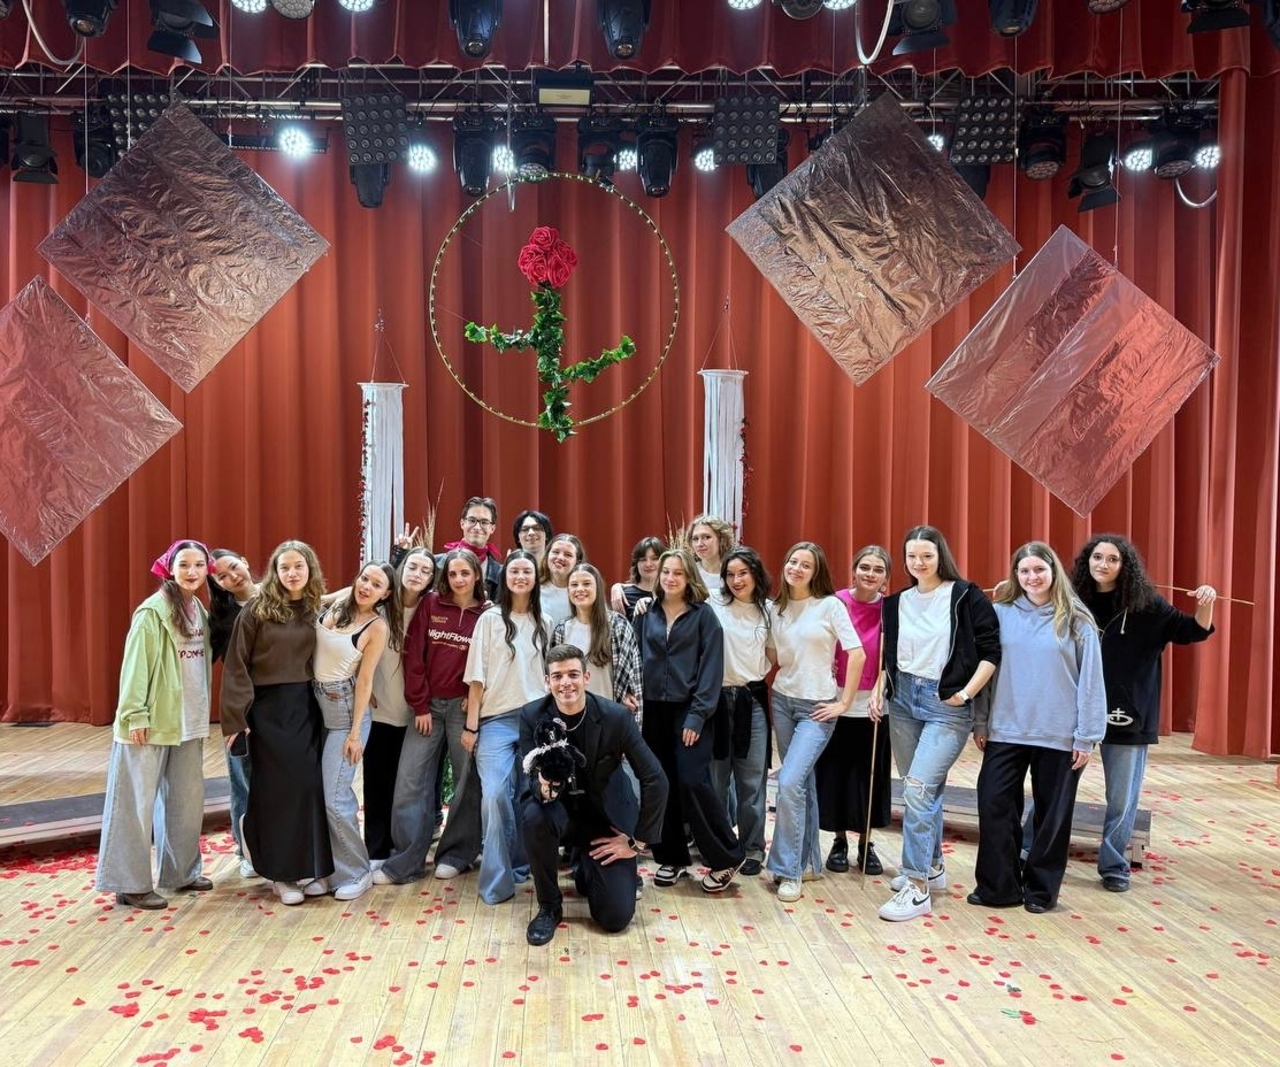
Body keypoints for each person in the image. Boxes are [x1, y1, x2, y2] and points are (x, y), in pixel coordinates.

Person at [1069, 534, 1216, 892]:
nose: (1103, 564)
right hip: (1075, 712)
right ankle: (1034, 851)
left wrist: (1206, 601)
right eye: (1097, 557)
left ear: (1125, 566)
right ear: (1087, 562)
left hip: (1129, 712)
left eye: (1113, 559)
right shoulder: (1071, 601)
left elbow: (1194, 630)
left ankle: (1114, 865)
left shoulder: (1147, 604)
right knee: (1057, 788)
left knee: (1122, 799)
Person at [872, 525, 1000, 923]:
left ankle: (916, 886)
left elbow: (991, 652)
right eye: (912, 556)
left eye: (927, 555)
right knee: (923, 791)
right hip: (903, 700)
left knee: (917, 788)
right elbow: (888, 655)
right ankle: (932, 865)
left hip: (946, 703)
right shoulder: (896, 602)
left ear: (940, 555)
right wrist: (879, 689)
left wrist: (965, 694)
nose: (919, 563)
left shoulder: (965, 595)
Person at [970, 542, 1106, 913]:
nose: (1032, 577)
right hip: (1005, 729)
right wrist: (981, 720)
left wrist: (1087, 736)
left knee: (1051, 817)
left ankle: (1041, 891)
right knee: (994, 804)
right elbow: (986, 670)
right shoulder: (999, 613)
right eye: (1025, 571)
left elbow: (1092, 681)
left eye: (1039, 570)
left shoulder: (1077, 619)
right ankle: (999, 887)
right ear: (1015, 575)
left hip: (1060, 734)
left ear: (1053, 571)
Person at [519, 644, 668, 945]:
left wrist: (637, 842)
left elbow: (655, 779)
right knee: (533, 814)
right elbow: (531, 778)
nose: (566, 683)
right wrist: (544, 785)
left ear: (586, 677)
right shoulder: (532, 715)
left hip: (605, 817)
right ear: (547, 681)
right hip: (559, 812)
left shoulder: (616, 717)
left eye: (573, 674)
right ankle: (549, 906)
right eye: (557, 676)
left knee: (615, 918)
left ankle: (585, 866)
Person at [95, 540, 215, 910]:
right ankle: (128, 883)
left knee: (185, 802)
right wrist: (135, 714)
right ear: (169, 568)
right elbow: (135, 666)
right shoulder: (152, 612)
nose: (192, 572)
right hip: (150, 721)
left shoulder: (198, 609)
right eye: (184, 565)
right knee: (134, 804)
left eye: (198, 565)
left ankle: (180, 872)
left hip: (189, 720)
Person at [221, 540, 333, 907]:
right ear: (275, 571)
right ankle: (280, 874)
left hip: (306, 706)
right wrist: (235, 719)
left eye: (298, 566)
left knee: (308, 787)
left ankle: (312, 866)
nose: (292, 573)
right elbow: (236, 665)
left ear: (309, 568)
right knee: (276, 791)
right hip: (266, 711)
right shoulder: (256, 610)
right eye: (284, 567)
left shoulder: (315, 609)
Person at [376, 547, 488, 885]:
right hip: (428, 709)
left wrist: (474, 699)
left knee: (467, 782)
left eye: (465, 573)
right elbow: (414, 656)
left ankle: (457, 854)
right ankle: (406, 861)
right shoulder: (431, 604)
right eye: (452, 574)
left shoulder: (487, 613)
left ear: (476, 575)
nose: (458, 579)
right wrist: (421, 704)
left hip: (463, 710)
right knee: (410, 780)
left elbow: (489, 662)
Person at [634, 546, 743, 892]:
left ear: (689, 577)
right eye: (666, 571)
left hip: (692, 710)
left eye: (678, 573)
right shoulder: (645, 612)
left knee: (693, 780)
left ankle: (727, 856)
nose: (670, 578)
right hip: (653, 711)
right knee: (660, 782)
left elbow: (711, 671)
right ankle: (672, 857)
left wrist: (696, 717)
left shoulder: (704, 616)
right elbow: (635, 659)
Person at [766, 541, 864, 903]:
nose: (797, 568)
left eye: (805, 564)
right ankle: (808, 863)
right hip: (782, 700)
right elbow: (773, 655)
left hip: (817, 708)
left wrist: (844, 702)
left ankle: (787, 870)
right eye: (793, 561)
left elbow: (857, 653)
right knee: (801, 784)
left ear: (816, 571)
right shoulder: (775, 608)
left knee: (789, 782)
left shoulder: (830, 605)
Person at [462, 549, 551, 904]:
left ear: (535, 578)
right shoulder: (489, 619)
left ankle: (520, 865)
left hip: (535, 721)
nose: (520, 577)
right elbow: (476, 676)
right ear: (505, 577)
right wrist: (471, 727)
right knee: (495, 794)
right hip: (495, 720)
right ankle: (497, 882)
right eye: (514, 571)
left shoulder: (545, 621)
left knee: (526, 796)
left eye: (527, 571)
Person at [311, 561, 401, 902]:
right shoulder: (341, 600)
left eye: (376, 585)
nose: (366, 587)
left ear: (386, 595)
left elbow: (365, 681)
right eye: (365, 578)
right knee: (314, 794)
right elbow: (308, 598)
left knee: (334, 798)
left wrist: (354, 734)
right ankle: (325, 869)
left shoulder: (377, 627)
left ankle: (356, 871)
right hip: (314, 704)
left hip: (345, 711)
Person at [817, 545, 893, 876]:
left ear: (886, 577)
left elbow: (891, 657)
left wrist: (879, 689)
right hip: (835, 698)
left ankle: (866, 842)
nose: (870, 574)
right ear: (854, 569)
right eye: (865, 567)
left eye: (878, 569)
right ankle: (838, 841)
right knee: (836, 773)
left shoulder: (890, 610)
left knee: (869, 777)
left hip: (873, 703)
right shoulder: (835, 602)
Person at [707, 547, 775, 877]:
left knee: (751, 782)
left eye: (743, 573)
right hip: (716, 701)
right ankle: (721, 846)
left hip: (752, 700)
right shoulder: (712, 604)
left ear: (756, 574)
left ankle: (752, 848)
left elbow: (777, 654)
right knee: (716, 781)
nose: (736, 580)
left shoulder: (769, 611)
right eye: (730, 574)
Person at [364, 548, 434, 867]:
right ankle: (376, 848)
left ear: (431, 579)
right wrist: (361, 685)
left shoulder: (431, 609)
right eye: (412, 566)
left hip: (417, 713)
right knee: (377, 780)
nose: (417, 574)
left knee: (407, 785)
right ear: (401, 568)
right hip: (380, 707)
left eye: (425, 570)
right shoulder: (379, 606)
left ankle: (404, 843)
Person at [208, 549, 261, 879]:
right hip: (241, 710)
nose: (232, 577)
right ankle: (246, 851)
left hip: (280, 707)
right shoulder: (220, 617)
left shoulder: (278, 596)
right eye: (222, 577)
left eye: (233, 567)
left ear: (245, 560)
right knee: (243, 782)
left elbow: (327, 600)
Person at [552, 563, 643, 718]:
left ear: (598, 588)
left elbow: (633, 677)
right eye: (574, 585)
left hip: (609, 716)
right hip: (572, 717)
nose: (580, 589)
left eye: (586, 584)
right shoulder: (561, 630)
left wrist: (627, 696)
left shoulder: (618, 625)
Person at [439, 496, 503, 601]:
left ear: (492, 528)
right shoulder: (436, 564)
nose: (477, 527)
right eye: (472, 520)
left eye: (484, 522)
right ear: (462, 523)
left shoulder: (501, 574)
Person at [610, 536, 663, 620]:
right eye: (643, 559)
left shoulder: (671, 594)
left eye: (655, 559)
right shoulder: (623, 595)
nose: (648, 564)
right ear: (636, 564)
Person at [539, 532, 586, 626]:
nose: (560, 557)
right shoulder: (534, 590)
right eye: (556, 552)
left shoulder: (585, 592)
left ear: (577, 562)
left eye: (568, 555)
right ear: (547, 555)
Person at [687, 515, 734, 595]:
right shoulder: (688, 572)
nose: (699, 544)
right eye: (695, 539)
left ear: (721, 539)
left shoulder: (733, 572)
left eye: (707, 537)